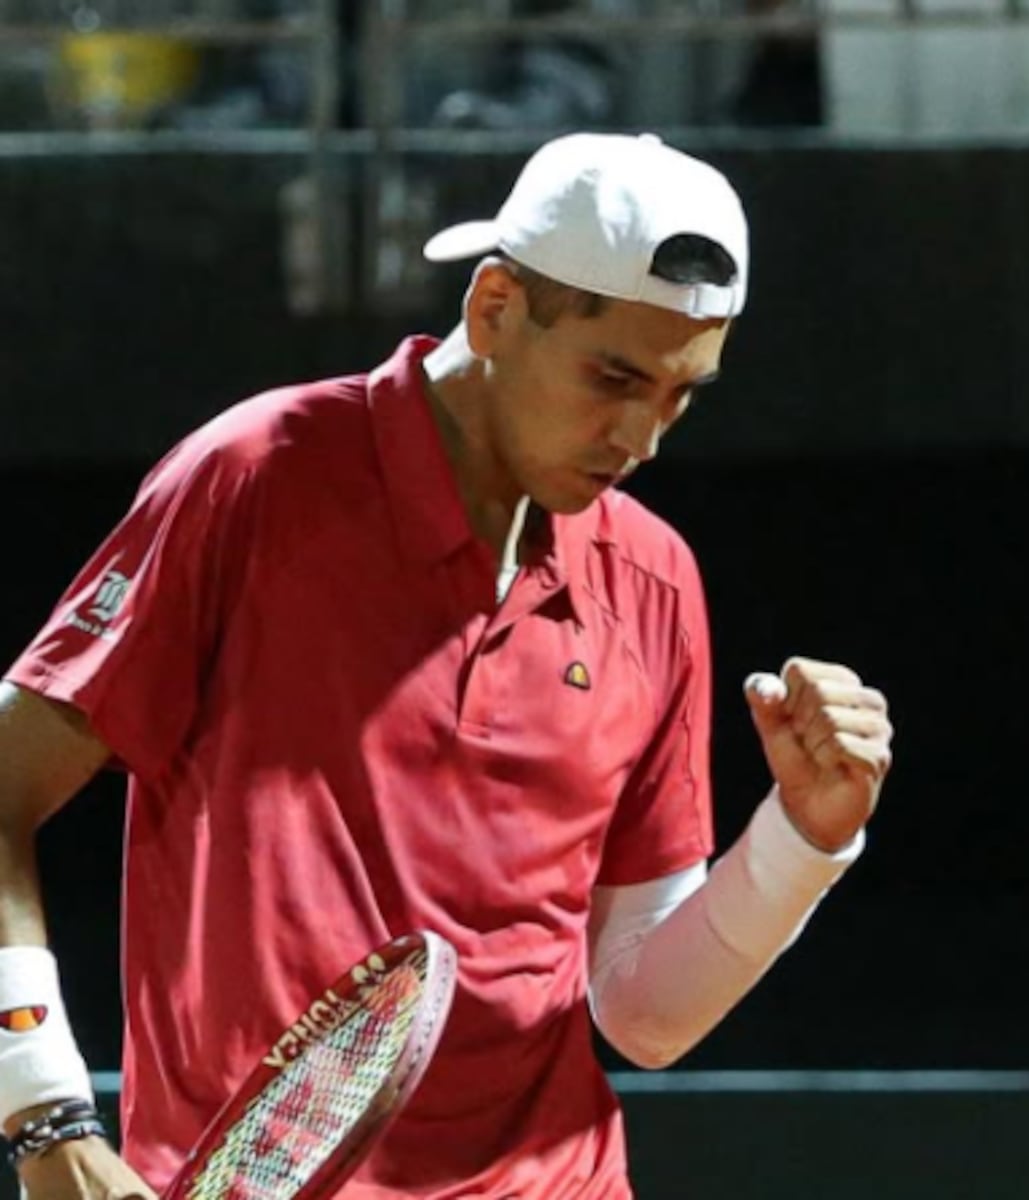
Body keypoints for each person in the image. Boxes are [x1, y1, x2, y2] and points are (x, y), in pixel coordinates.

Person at [0, 131, 893, 1199]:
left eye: (681, 393)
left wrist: (803, 841)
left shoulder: (654, 579)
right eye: (613, 377)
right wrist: (43, 1114)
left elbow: (644, 1017)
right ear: (497, 309)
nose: (644, 436)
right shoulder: (254, 482)